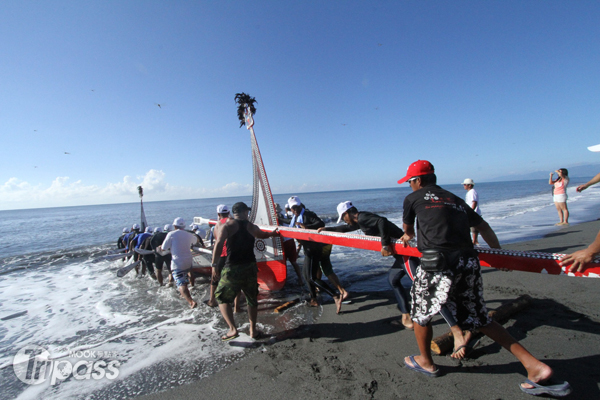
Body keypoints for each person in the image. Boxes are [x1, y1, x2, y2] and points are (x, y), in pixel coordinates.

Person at [397, 160, 570, 397]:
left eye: (410, 182)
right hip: (468, 262)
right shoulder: (455, 199)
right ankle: (534, 366)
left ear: (417, 181)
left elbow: (407, 231)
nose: (410, 186)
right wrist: (499, 256)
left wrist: (407, 237)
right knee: (479, 317)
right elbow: (484, 227)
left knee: (420, 313)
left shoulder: (413, 199)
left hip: (437, 263)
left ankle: (425, 362)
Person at [211, 202, 279, 341]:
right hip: (249, 267)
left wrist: (214, 265)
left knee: (222, 297)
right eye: (247, 212)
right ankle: (253, 331)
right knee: (251, 299)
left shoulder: (227, 226)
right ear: (243, 212)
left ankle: (232, 329)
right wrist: (273, 234)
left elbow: (218, 244)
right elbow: (262, 235)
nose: (248, 214)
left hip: (232, 268)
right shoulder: (251, 226)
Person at [287, 196, 345, 313]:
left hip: (314, 249)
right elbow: (290, 226)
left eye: (297, 206)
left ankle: (335, 295)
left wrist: (307, 227)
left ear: (300, 205)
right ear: (290, 209)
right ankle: (313, 299)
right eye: (293, 207)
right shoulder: (295, 217)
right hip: (308, 249)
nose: (296, 209)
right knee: (306, 276)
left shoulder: (307, 214)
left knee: (312, 278)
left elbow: (320, 223)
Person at [158, 217, 199, 308]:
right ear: (184, 226)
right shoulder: (188, 234)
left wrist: (160, 247)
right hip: (188, 261)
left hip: (177, 263)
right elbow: (196, 241)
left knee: (181, 283)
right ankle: (185, 293)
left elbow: (164, 248)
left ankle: (191, 302)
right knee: (185, 276)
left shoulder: (171, 234)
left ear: (174, 226)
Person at [462, 178, 482, 245]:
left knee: (474, 229)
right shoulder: (470, 192)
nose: (464, 186)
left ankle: (474, 242)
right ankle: (474, 241)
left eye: (465, 184)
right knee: (472, 229)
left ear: (469, 185)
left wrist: (471, 211)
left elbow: (474, 202)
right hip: (473, 212)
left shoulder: (472, 192)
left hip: (474, 213)